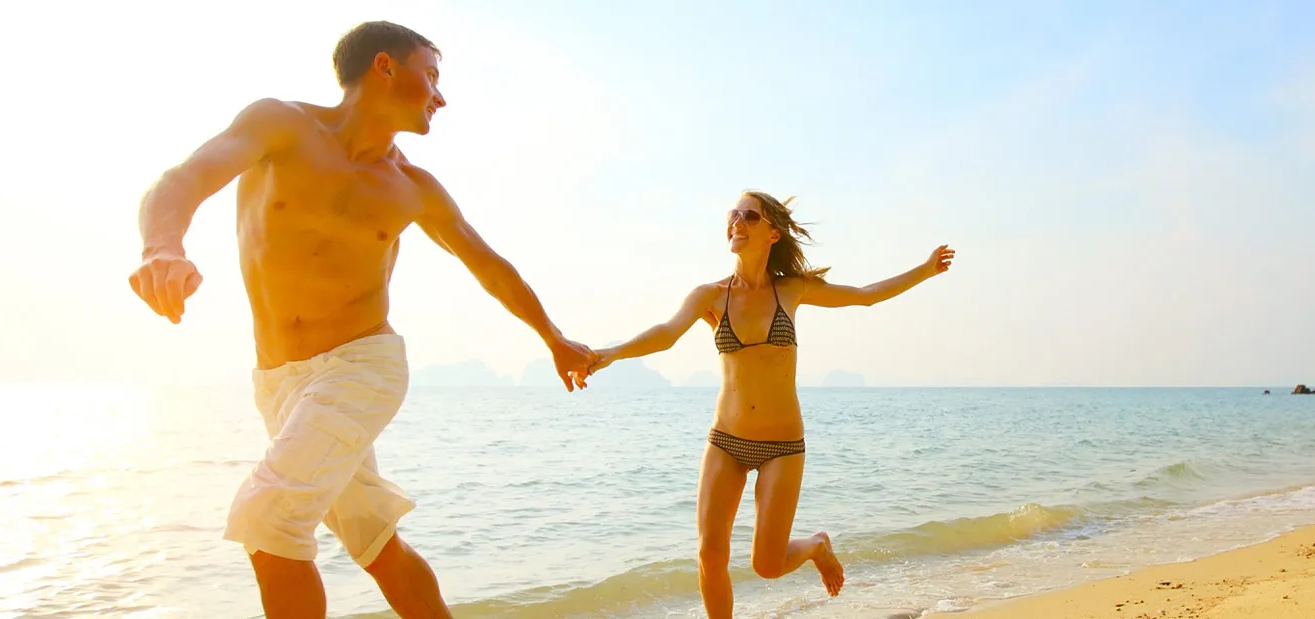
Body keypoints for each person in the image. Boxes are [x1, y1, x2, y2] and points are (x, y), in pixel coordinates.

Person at [126, 21, 597, 619]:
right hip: (279, 384)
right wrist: (161, 247)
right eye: (431, 76)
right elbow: (184, 178)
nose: (440, 96)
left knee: (267, 518)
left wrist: (552, 339)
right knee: (373, 542)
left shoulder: (413, 187)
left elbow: (490, 267)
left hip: (362, 367)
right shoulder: (280, 125)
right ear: (384, 67)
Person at [586, 191, 955, 617]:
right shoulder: (709, 296)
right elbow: (666, 333)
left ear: (772, 233)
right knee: (709, 553)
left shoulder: (792, 290)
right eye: (732, 215)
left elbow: (865, 294)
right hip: (726, 440)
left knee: (766, 565)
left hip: (782, 446)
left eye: (748, 216)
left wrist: (925, 270)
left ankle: (817, 545)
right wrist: (609, 354)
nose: (736, 222)